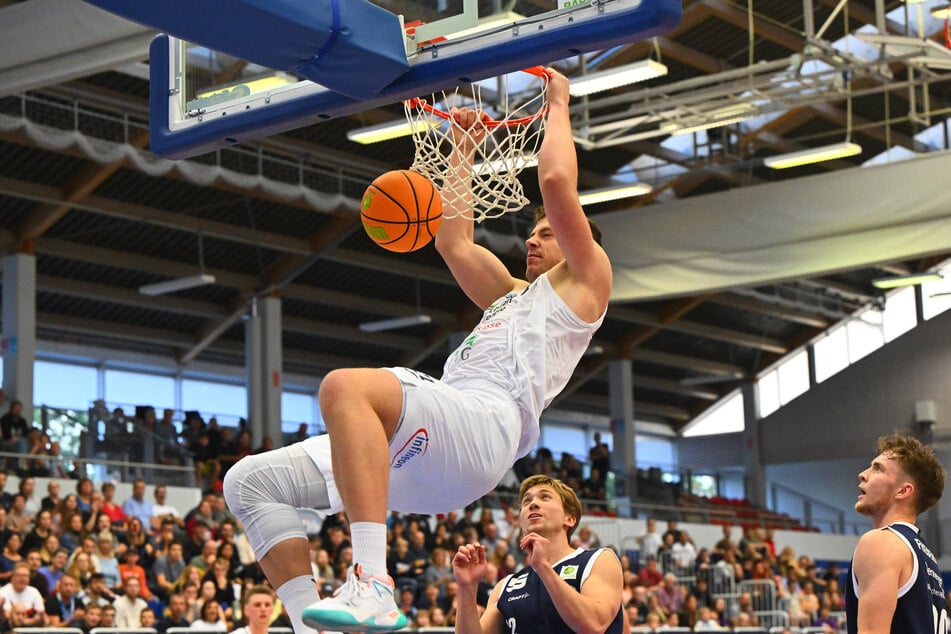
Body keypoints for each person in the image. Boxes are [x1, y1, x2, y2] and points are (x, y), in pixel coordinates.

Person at [223, 67, 612, 634]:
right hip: (426, 453)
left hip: (486, 427)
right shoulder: (508, 296)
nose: (532, 237)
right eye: (532, 232)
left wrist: (558, 102)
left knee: (345, 386)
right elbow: (453, 240)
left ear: (578, 243)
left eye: (546, 233)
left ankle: (374, 583)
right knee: (250, 483)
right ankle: (309, 626)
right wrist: (463, 147)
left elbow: (555, 183)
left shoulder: (587, 282)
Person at [452, 474, 624, 633]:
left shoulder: (599, 560)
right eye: (526, 501)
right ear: (521, 522)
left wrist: (543, 567)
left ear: (570, 519)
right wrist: (466, 588)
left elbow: (593, 625)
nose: (533, 503)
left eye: (545, 497)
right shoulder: (506, 586)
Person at [845, 434, 947, 634]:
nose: (863, 474)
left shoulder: (881, 542)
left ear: (903, 491)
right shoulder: (926, 556)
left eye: (878, 468)